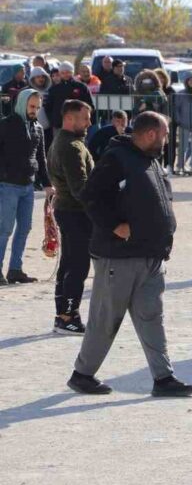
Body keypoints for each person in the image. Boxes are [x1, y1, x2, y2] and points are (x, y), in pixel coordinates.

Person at [68, 111, 192, 396]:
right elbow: (90, 196)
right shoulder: (117, 159)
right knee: (105, 321)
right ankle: (82, 374)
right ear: (151, 134)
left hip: (152, 257)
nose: (166, 141)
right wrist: (115, 225)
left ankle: (163, 379)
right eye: (165, 135)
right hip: (119, 258)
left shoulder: (151, 161)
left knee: (152, 318)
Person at [47, 99, 95, 334]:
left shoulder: (61, 141)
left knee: (68, 264)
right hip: (76, 213)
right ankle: (68, 316)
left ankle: (63, 314)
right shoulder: (71, 146)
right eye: (85, 118)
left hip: (67, 210)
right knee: (77, 266)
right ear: (70, 118)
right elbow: (81, 188)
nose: (89, 122)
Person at [0, 89, 53, 285]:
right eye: (32, 107)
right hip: (7, 185)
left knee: (24, 228)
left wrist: (47, 184)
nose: (35, 111)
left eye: (38, 108)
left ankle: (15, 269)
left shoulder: (38, 128)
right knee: (4, 229)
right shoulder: (6, 124)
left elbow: (41, 158)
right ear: (22, 103)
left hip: (28, 186)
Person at [43, 62, 94, 150]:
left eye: (68, 72)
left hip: (78, 125)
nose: (66, 74)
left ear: (72, 72)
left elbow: (89, 106)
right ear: (60, 73)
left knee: (79, 148)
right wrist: (53, 121)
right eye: (63, 72)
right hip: (59, 126)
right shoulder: (54, 89)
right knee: (59, 149)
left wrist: (85, 120)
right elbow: (48, 107)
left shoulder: (81, 87)